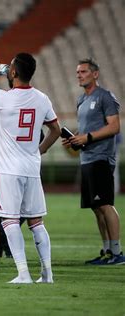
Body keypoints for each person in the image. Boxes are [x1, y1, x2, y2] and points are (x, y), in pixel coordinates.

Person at [0, 52, 61, 283]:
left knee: (8, 220)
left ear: (15, 73)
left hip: (8, 169)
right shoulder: (42, 98)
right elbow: (56, 130)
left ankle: (23, 274)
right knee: (36, 222)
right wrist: (40, 150)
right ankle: (47, 274)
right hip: (31, 167)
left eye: (10, 69)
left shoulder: (3, 97)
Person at [62, 58, 124, 265]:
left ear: (95, 74)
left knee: (106, 204)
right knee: (96, 207)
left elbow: (114, 127)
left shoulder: (105, 97)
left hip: (101, 158)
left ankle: (117, 252)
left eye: (84, 71)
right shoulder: (81, 100)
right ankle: (107, 251)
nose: (79, 75)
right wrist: (75, 138)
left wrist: (86, 138)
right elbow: (87, 129)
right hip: (87, 157)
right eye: (78, 72)